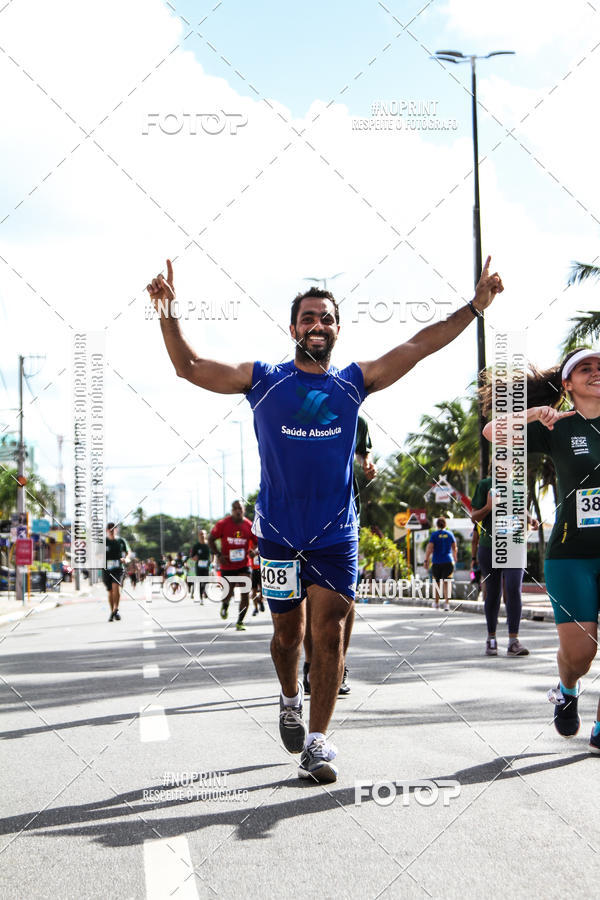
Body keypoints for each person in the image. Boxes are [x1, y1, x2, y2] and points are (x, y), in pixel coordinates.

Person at [147, 253, 504, 782]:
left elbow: (419, 346)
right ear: (293, 328)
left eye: (327, 318)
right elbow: (190, 368)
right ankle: (289, 699)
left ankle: (317, 744)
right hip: (278, 536)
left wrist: (475, 306)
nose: (318, 325)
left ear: (337, 329)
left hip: (335, 535)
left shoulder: (354, 382)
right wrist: (168, 312)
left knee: (330, 634)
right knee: (287, 638)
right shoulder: (262, 380)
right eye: (309, 318)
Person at [483, 348, 600, 747]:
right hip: (571, 555)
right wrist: (533, 414)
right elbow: (491, 433)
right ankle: (567, 689)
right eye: (586, 368)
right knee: (581, 652)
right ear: (567, 384)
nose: (596, 373)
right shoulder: (559, 427)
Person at [302, 413, 376, 697]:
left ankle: (337, 665)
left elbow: (363, 457)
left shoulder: (356, 419)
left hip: (344, 514)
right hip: (302, 513)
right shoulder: (296, 410)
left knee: (345, 592)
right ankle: (311, 665)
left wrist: (368, 466)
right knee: (310, 593)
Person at [471, 471, 529, 657]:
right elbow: (474, 517)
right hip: (490, 547)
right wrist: (488, 507)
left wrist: (529, 518)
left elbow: (521, 510)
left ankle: (514, 641)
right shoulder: (485, 485)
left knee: (513, 587)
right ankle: (491, 638)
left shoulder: (518, 486)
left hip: (514, 545)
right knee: (493, 592)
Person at [209, 500, 256, 630]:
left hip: (244, 564)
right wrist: (218, 555)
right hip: (227, 564)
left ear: (244, 510)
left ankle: (240, 621)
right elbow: (211, 539)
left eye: (240, 508)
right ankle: (225, 605)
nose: (237, 511)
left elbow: (258, 542)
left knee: (245, 593)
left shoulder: (249, 525)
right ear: (232, 510)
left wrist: (254, 551)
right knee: (228, 592)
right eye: (235, 508)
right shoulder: (223, 524)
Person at [424, 517, 457, 611]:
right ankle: (447, 604)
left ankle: (436, 603)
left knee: (437, 583)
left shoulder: (434, 535)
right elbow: (455, 547)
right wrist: (455, 557)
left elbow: (430, 548)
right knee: (447, 583)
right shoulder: (450, 534)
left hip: (436, 561)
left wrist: (426, 560)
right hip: (448, 561)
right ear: (445, 524)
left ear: (437, 525)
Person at [102, 523, 128, 622]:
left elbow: (127, 552)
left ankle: (116, 609)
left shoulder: (121, 541)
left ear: (116, 530)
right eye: (109, 529)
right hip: (106, 570)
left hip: (118, 569)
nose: (111, 530)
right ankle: (112, 611)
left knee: (116, 587)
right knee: (110, 591)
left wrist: (125, 558)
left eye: (113, 529)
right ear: (107, 530)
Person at [190, 529, 211, 603]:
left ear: (206, 535)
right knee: (200, 581)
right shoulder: (196, 546)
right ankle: (201, 597)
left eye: (203, 534)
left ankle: (204, 591)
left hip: (207, 566)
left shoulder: (208, 545)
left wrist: (213, 561)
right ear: (198, 536)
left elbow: (213, 554)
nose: (202, 535)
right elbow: (192, 557)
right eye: (200, 534)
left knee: (206, 581)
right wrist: (194, 558)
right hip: (199, 567)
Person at [250, 549, 264, 616]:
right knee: (254, 590)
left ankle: (260, 600)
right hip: (254, 570)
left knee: (263, 589)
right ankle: (256, 608)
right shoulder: (250, 543)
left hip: (262, 569)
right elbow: (250, 555)